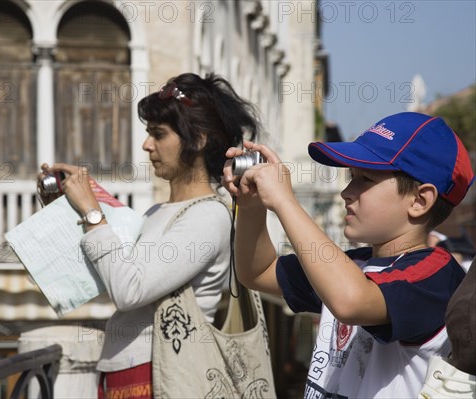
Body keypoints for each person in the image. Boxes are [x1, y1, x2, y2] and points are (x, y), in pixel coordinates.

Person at [38, 73, 261, 399]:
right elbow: (107, 279)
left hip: (162, 378)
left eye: (158, 134)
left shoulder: (210, 215)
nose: (147, 145)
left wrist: (92, 212)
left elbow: (129, 291)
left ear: (198, 140)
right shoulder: (155, 213)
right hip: (125, 375)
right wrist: (65, 210)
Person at [222, 112, 474, 398]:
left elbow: (351, 301)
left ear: (419, 200)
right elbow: (259, 271)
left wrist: (283, 201)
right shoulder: (355, 266)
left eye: (364, 179)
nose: (346, 192)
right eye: (350, 177)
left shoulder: (436, 275)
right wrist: (252, 207)